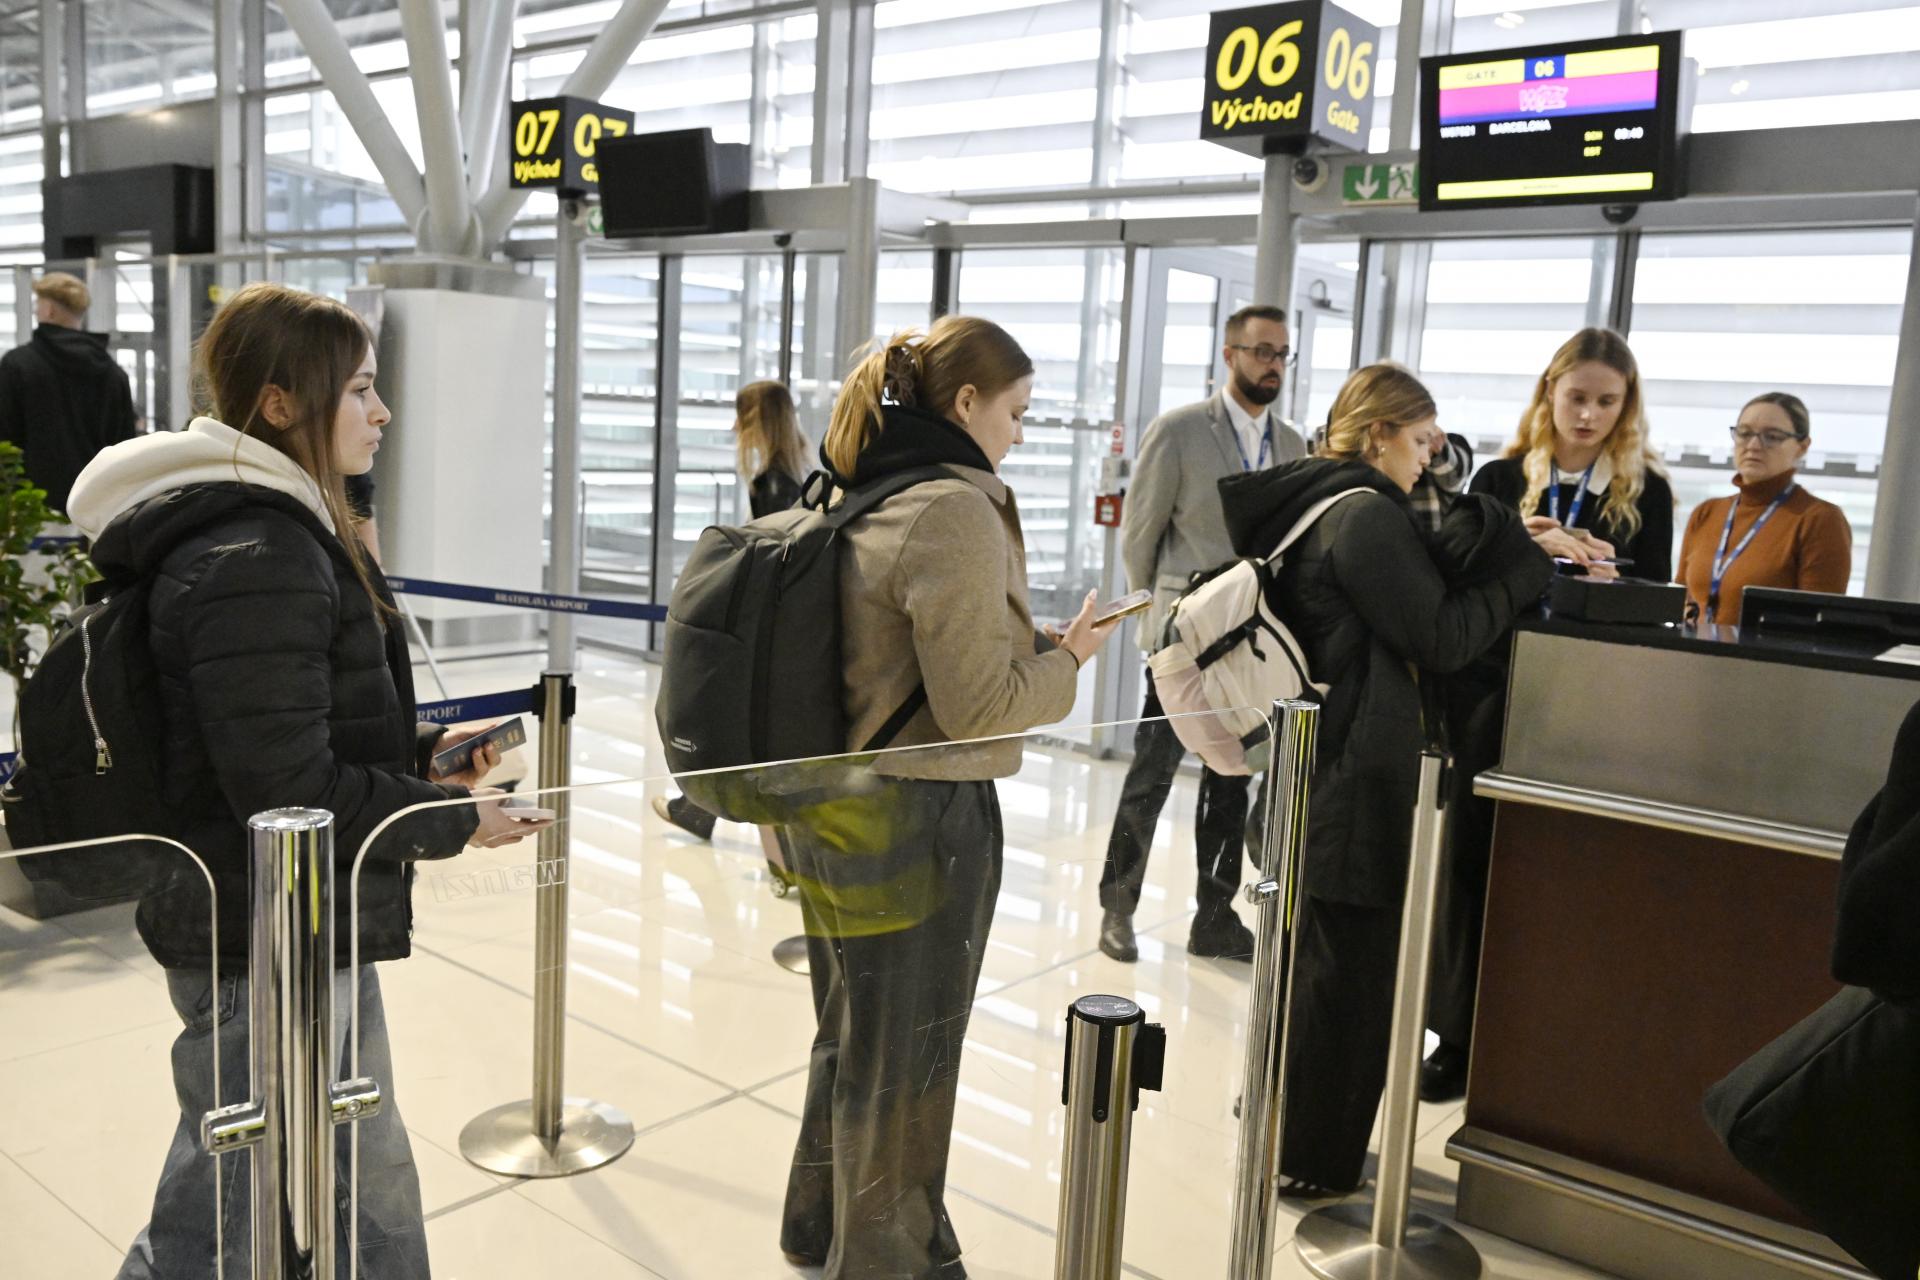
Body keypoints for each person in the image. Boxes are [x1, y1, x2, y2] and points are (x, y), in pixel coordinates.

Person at [64, 281, 545, 1279]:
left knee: (349, 1164)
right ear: (280, 404)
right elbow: (288, 787)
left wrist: (424, 759)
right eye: (360, 389)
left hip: (292, 915)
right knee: (226, 1199)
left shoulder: (269, 529)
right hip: (260, 931)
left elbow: (280, 736)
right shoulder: (259, 552)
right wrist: (454, 816)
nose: (383, 411)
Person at [778, 317, 1118, 1276]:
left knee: (853, 1032)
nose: (1019, 433)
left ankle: (819, 1223)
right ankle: (889, 1258)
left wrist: (1024, 653)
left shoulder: (864, 485)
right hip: (919, 818)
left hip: (834, 803)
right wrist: (1067, 665)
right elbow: (979, 711)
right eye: (1016, 412)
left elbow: (901, 661)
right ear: (966, 403)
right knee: (911, 1061)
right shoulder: (955, 508)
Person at [1217, 364, 1554, 1196]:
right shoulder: (1363, 514)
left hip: (1318, 763)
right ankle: (1312, 1164)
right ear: (1379, 435)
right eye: (1421, 440)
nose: (1429, 457)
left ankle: (1286, 1135)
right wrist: (1522, 568)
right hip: (1355, 781)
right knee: (1348, 982)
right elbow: (1440, 637)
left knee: (1313, 968)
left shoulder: (1314, 501)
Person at [1096, 303, 1308, 964]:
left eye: (1282, 354)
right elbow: (1140, 537)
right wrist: (1160, 627)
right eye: (1261, 351)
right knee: (1152, 774)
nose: (1273, 365)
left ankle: (1214, 919)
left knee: (1230, 782)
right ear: (1229, 354)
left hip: (1249, 650)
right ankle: (1117, 908)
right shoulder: (1180, 430)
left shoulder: (1293, 445)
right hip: (1184, 645)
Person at [654, 379, 812, 842]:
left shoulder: (771, 484)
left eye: (740, 417)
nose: (734, 428)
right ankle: (698, 810)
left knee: (728, 719)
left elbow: (764, 563)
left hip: (765, 630)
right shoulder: (802, 474)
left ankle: (698, 810)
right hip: (791, 626)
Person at [1470, 327, 1674, 583]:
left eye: (1606, 402)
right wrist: (1516, 549)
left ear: (1625, 404)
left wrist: (1616, 585)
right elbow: (1462, 584)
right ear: (1551, 390)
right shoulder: (1496, 479)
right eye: (1577, 398)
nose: (1588, 415)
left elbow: (1657, 597)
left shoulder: (1649, 491)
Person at [1675, 391, 1852, 628]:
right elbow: (1680, 601)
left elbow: (1818, 626)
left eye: (1772, 437)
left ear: (1802, 447)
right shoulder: (1706, 512)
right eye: (1744, 433)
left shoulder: (1819, 519)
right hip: (1693, 649)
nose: (1754, 445)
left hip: (1765, 653)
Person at [0, 270, 138, 517]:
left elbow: (6, 442)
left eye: (37, 304)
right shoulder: (113, 375)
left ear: (49, 310)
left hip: (31, 512)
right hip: (95, 511)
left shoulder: (17, 366)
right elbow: (124, 448)